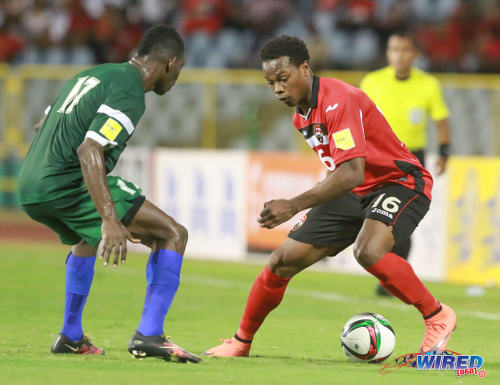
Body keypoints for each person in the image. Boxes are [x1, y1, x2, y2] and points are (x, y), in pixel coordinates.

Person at [204, 35, 456, 357]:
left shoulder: (339, 99)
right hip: (355, 190)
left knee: (368, 250)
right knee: (282, 261)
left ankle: (437, 316)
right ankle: (240, 342)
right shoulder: (302, 116)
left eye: (283, 78)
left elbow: (351, 171)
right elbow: (342, 172)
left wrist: (294, 204)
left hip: (400, 182)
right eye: (271, 83)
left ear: (305, 69)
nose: (278, 89)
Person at [17, 25, 200, 363]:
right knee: (173, 234)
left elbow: (42, 125)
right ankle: (150, 335)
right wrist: (110, 218)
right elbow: (90, 149)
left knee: (86, 239)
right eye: (181, 69)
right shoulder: (129, 91)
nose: (177, 79)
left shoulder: (94, 74)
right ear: (170, 63)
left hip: (30, 183)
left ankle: (70, 336)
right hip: (63, 183)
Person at [360, 31, 450, 296]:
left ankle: (392, 277)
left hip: (411, 160)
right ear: (388, 53)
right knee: (369, 216)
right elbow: (356, 117)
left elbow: (441, 121)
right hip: (376, 157)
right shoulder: (372, 81)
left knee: (398, 222)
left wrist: (445, 152)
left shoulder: (429, 84)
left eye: (405, 50)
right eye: (394, 50)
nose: (399, 55)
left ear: (415, 54)